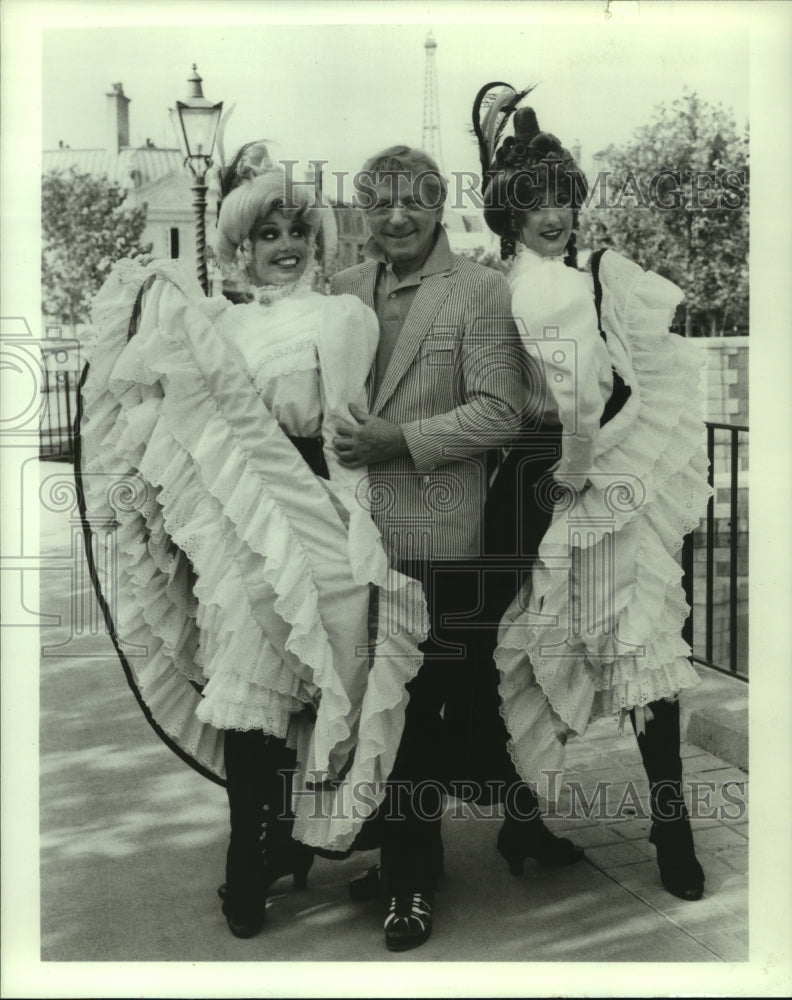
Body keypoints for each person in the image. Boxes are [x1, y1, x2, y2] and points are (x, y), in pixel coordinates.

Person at [76, 144, 428, 940]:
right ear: (241, 248)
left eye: (295, 229)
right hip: (244, 523)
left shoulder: (344, 317)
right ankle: (248, 855)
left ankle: (335, 836)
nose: (285, 245)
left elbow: (348, 424)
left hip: (323, 507)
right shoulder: (219, 322)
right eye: (267, 235)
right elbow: (179, 419)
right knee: (247, 688)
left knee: (341, 677)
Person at [330, 145, 583, 953]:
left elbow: (499, 414)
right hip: (356, 543)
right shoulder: (340, 293)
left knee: (423, 713)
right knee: (377, 705)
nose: (396, 216)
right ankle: (441, 843)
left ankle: (409, 880)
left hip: (442, 538)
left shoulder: (477, 290)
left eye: (413, 200)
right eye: (380, 203)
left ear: (439, 206)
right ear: (363, 211)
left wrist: (395, 439)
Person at [471, 83, 712, 902]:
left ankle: (670, 824)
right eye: (535, 202)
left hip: (600, 479)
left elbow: (610, 383)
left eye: (563, 199)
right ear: (509, 211)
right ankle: (524, 818)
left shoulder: (594, 274)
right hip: (533, 484)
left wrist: (581, 457)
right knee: (529, 653)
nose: (554, 216)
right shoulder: (499, 286)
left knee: (640, 640)